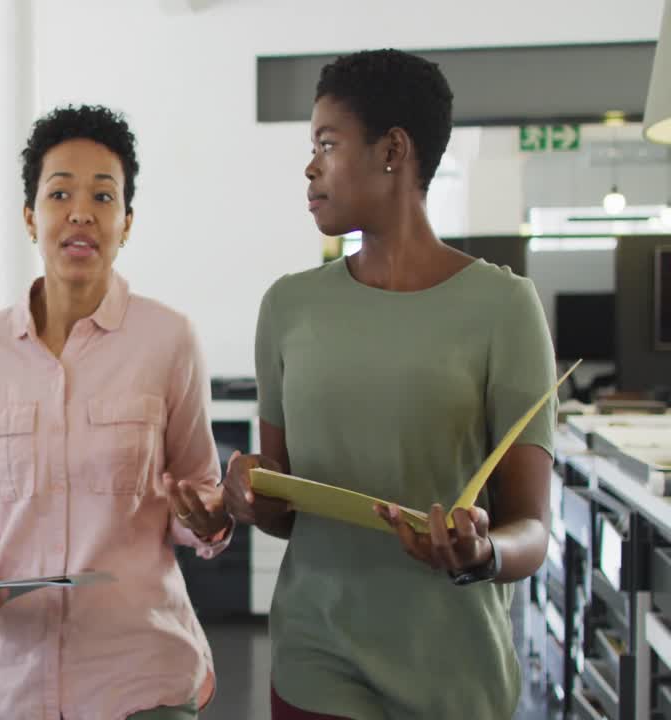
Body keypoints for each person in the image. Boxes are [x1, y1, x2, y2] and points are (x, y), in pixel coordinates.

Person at [225, 49, 556, 720]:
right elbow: (284, 510)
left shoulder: (505, 308)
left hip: (453, 675)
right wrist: (247, 495)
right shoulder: (288, 307)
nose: (310, 166)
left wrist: (481, 551)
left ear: (393, 150)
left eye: (327, 142)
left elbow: (533, 532)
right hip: (315, 661)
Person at [0, 104, 233, 720]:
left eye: (103, 195)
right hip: (17, 684)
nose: (81, 211)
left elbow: (199, 493)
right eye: (60, 193)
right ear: (32, 218)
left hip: (141, 678)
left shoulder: (168, 339)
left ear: (127, 222)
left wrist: (209, 516)